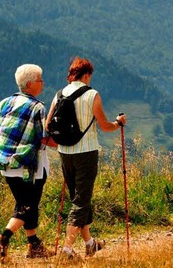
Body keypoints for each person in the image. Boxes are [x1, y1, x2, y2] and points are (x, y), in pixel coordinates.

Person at [46, 57, 127, 260]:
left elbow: (48, 126)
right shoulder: (92, 95)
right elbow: (105, 126)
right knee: (81, 201)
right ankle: (66, 251)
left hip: (65, 153)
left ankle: (90, 244)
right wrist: (118, 123)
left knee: (79, 198)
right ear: (87, 74)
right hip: (86, 153)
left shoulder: (58, 95)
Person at [0, 64, 51, 260]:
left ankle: (34, 245)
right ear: (29, 84)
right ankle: (3, 239)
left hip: (4, 165)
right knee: (28, 206)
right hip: (28, 166)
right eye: (40, 79)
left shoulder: (5, 103)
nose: (43, 83)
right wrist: (69, 144)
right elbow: (44, 138)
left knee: (24, 203)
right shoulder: (38, 108)